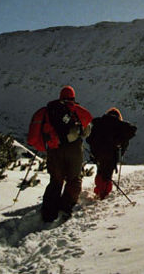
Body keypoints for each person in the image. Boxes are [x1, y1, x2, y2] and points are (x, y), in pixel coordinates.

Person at [27, 85, 92, 222]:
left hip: (54, 149)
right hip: (74, 150)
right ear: (73, 97)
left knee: (56, 180)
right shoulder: (77, 110)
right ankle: (65, 208)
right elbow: (87, 130)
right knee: (74, 180)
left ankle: (48, 212)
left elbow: (36, 132)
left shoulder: (48, 111)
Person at [86, 107, 137, 200]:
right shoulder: (120, 125)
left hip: (97, 153)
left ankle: (98, 191)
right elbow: (132, 130)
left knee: (100, 171)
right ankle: (104, 194)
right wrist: (118, 144)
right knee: (108, 174)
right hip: (111, 154)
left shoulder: (99, 122)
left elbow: (89, 139)